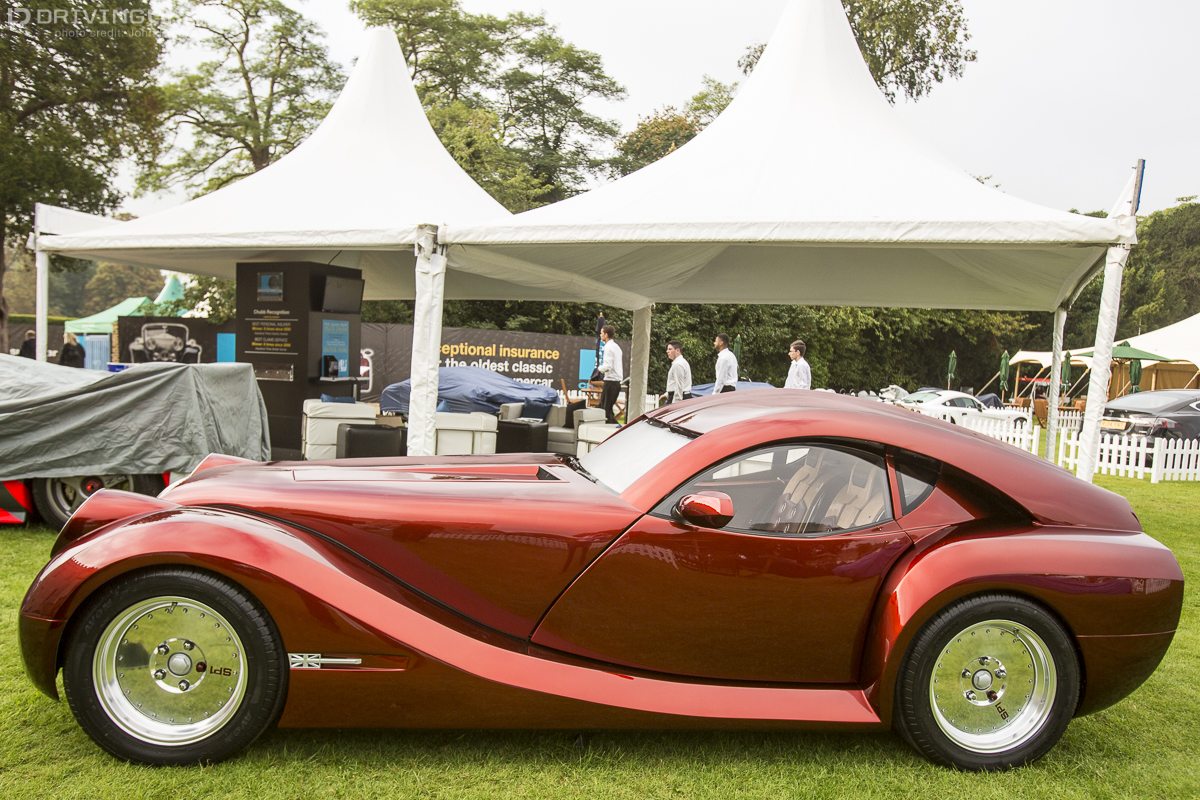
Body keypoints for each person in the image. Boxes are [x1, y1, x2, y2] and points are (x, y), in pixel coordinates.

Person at [598, 324, 623, 424]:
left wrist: (599, 369)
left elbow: (607, 366)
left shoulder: (608, 348)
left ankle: (618, 431)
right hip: (616, 383)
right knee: (606, 409)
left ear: (606, 335)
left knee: (605, 411)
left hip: (610, 382)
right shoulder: (616, 347)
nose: (600, 335)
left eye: (601, 333)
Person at [661, 339, 692, 404]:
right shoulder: (682, 362)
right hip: (683, 395)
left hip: (679, 397)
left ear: (677, 350)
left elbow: (679, 385)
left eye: (670, 349)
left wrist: (676, 403)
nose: (667, 351)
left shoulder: (678, 364)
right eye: (667, 349)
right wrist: (666, 395)